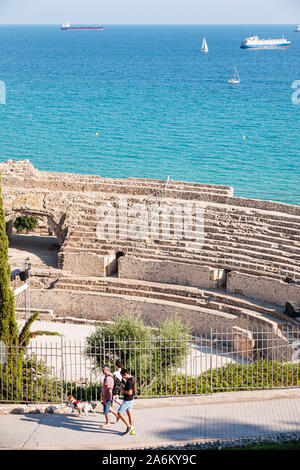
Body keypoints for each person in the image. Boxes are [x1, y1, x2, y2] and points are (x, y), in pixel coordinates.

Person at [116, 369, 136, 435]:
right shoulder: (132, 378)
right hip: (131, 398)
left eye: (122, 376)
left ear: (125, 374)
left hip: (127, 399)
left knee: (119, 413)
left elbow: (129, 392)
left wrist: (122, 390)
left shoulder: (129, 381)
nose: (123, 378)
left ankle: (129, 427)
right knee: (129, 413)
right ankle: (132, 427)